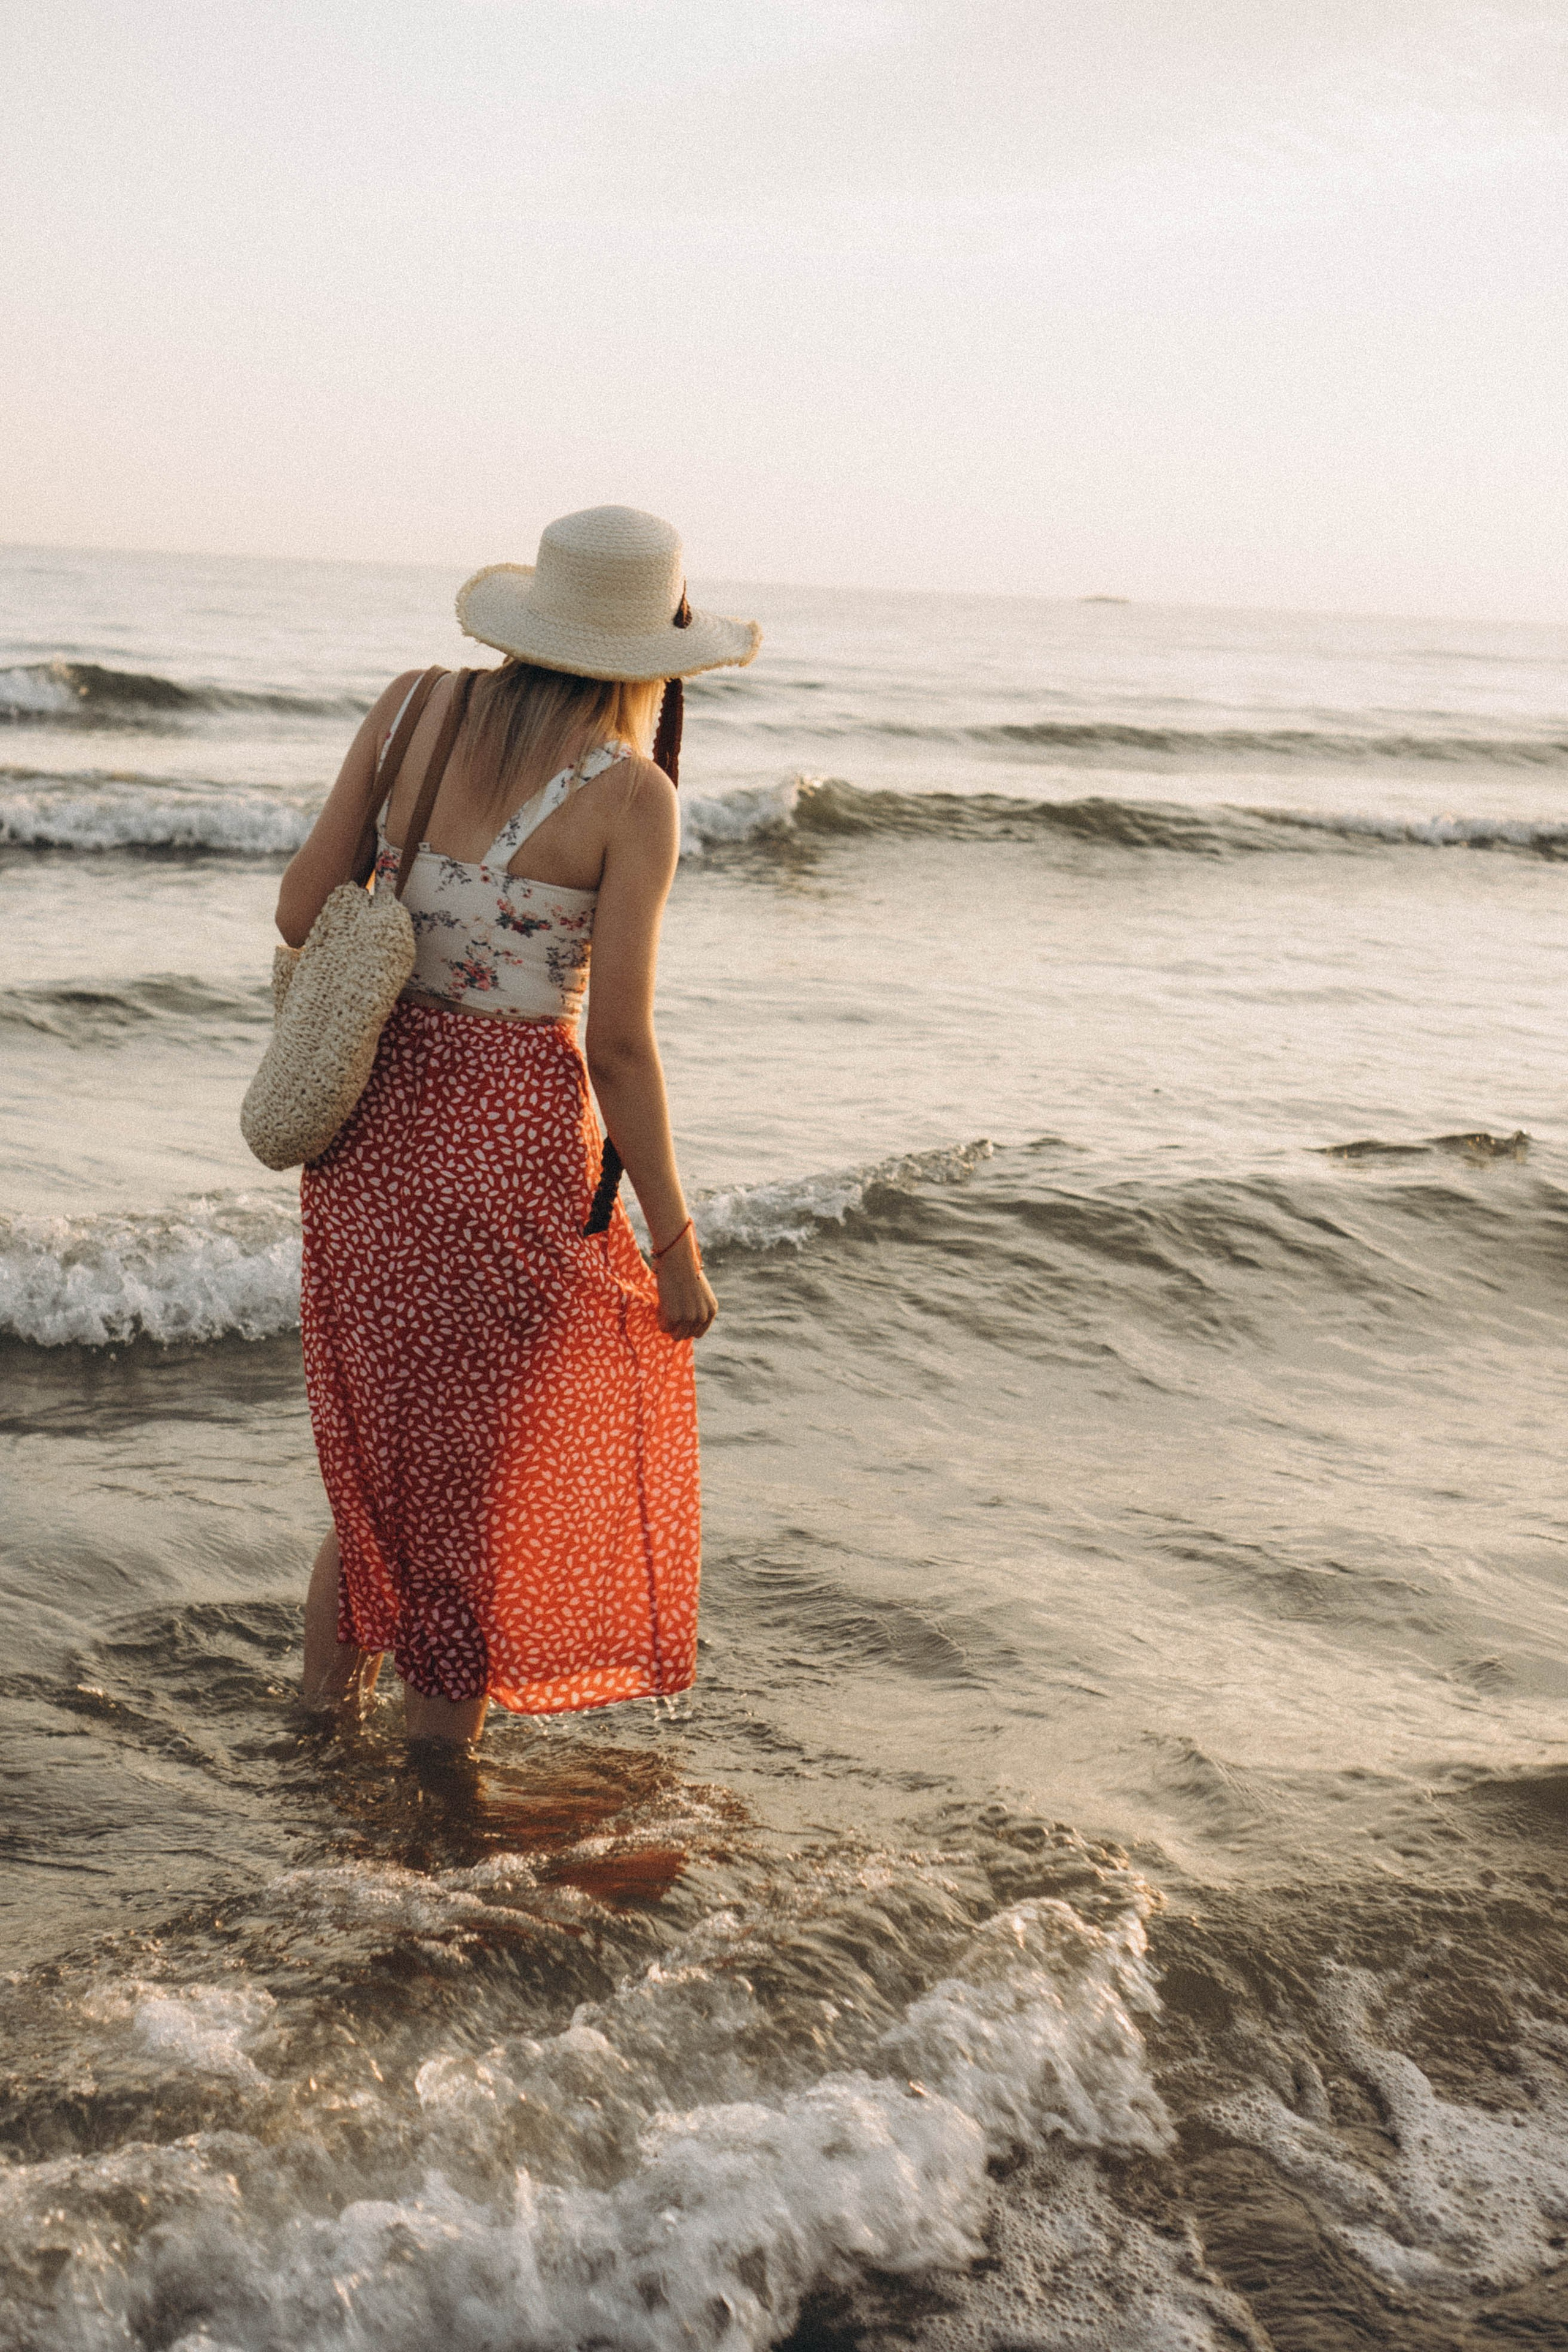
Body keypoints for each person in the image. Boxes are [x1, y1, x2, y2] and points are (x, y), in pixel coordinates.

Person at [274, 506, 761, 1746]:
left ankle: (315, 1730)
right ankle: (435, 1819)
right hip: (505, 1155)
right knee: (473, 1499)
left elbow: (298, 910)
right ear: (652, 654)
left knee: (384, 1467)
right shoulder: (632, 795)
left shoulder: (412, 706)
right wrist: (673, 1247)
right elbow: (618, 1049)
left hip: (366, 1136)